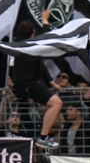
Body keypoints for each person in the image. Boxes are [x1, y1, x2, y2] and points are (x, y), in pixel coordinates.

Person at [12, 11, 62, 149]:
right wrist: (45, 20)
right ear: (33, 32)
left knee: (27, 118)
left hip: (22, 86)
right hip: (29, 85)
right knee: (57, 103)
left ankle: (39, 138)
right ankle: (44, 137)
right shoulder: (33, 46)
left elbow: (39, 64)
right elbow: (48, 39)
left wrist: (51, 82)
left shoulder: (17, 45)